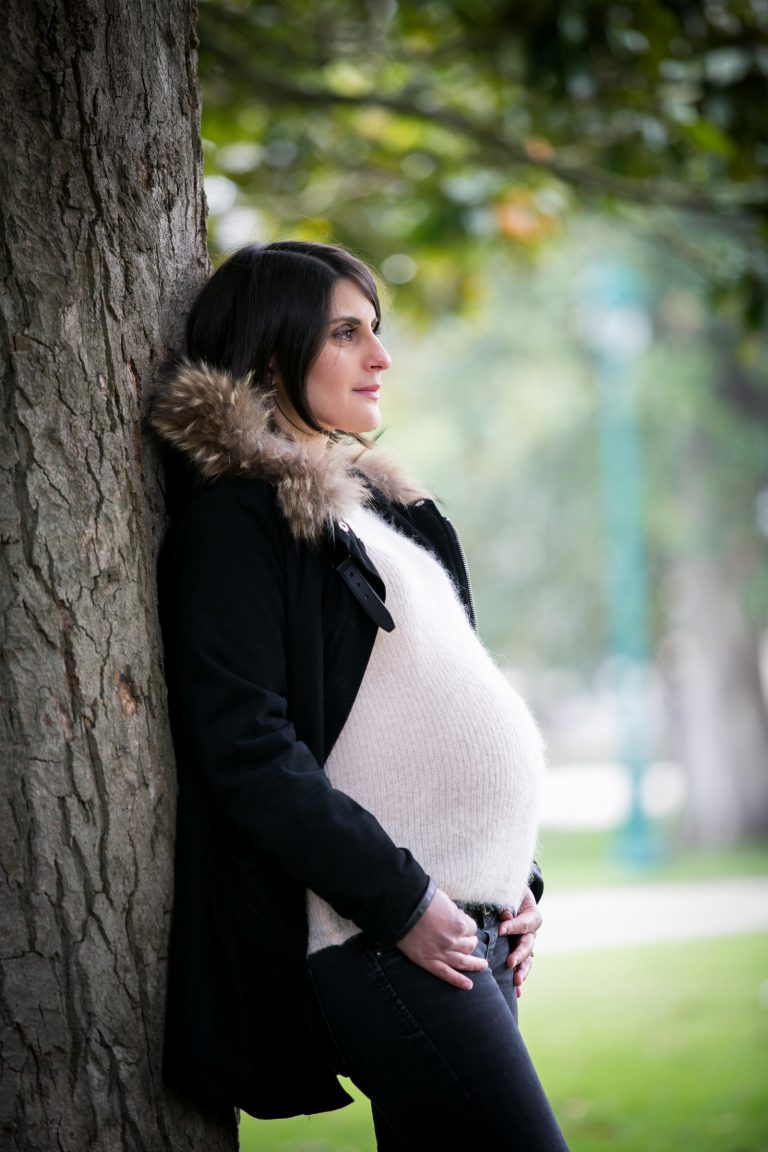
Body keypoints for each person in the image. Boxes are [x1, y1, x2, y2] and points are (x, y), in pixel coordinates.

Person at [150, 240, 569, 1150]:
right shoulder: (244, 517)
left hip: (468, 923)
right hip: (381, 933)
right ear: (271, 353)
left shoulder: (384, 513)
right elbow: (248, 746)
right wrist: (402, 900)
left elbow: (430, 704)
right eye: (348, 334)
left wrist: (517, 881)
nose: (381, 357)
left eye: (375, 331)